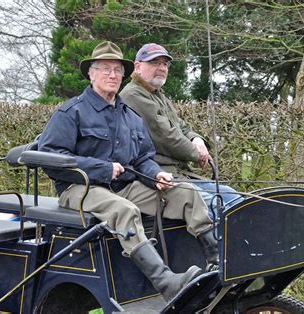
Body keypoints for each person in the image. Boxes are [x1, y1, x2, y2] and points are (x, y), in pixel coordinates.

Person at [38, 41, 218, 302]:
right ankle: (166, 282)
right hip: (80, 187)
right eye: (105, 69)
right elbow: (51, 157)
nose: (112, 75)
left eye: (116, 70)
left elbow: (144, 158)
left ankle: (216, 263)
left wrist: (156, 174)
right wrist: (102, 168)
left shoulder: (130, 116)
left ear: (124, 75)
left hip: (125, 186)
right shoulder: (71, 112)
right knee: (124, 210)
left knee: (186, 194)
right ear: (91, 73)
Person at [120, 43, 242, 219]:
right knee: (216, 205)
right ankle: (220, 246)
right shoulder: (133, 95)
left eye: (165, 64)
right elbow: (166, 136)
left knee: (231, 195)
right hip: (158, 175)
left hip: (181, 174)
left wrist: (196, 140)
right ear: (137, 66)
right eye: (154, 62)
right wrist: (197, 154)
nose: (162, 68)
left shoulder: (157, 94)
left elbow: (180, 126)